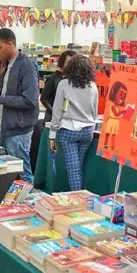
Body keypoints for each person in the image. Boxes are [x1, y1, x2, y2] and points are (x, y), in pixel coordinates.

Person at [0, 28, 39, 183]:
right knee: (7, 173)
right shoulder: (6, 65)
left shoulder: (26, 66)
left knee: (22, 173)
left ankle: (27, 205)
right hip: (4, 128)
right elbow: (6, 95)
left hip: (18, 131)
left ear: (10, 44)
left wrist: (0, 99)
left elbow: (30, 100)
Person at [48, 55, 99, 191]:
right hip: (87, 131)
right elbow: (95, 111)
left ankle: (77, 199)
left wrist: (52, 134)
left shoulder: (64, 84)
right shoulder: (93, 86)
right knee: (78, 166)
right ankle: (80, 196)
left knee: (73, 169)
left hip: (68, 130)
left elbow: (57, 110)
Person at [40, 50, 77, 123]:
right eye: (68, 63)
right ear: (62, 63)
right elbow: (44, 98)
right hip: (52, 118)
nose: (71, 66)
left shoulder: (72, 79)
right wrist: (54, 111)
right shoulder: (53, 79)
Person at [102, 81, 128, 152]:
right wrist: (122, 112)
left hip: (116, 122)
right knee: (108, 133)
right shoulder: (112, 106)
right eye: (121, 93)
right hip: (111, 121)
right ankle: (105, 144)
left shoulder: (118, 106)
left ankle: (113, 147)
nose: (122, 97)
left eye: (124, 95)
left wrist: (124, 113)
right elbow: (116, 114)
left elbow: (118, 114)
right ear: (113, 92)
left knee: (113, 135)